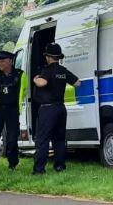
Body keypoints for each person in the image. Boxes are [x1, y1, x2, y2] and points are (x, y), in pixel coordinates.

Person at [32, 42, 80, 175]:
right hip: (60, 108)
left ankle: (39, 169)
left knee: (43, 139)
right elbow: (77, 83)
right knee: (59, 139)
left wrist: (36, 79)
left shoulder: (47, 70)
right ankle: (59, 166)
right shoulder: (63, 71)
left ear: (48, 57)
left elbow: (43, 82)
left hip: (48, 109)